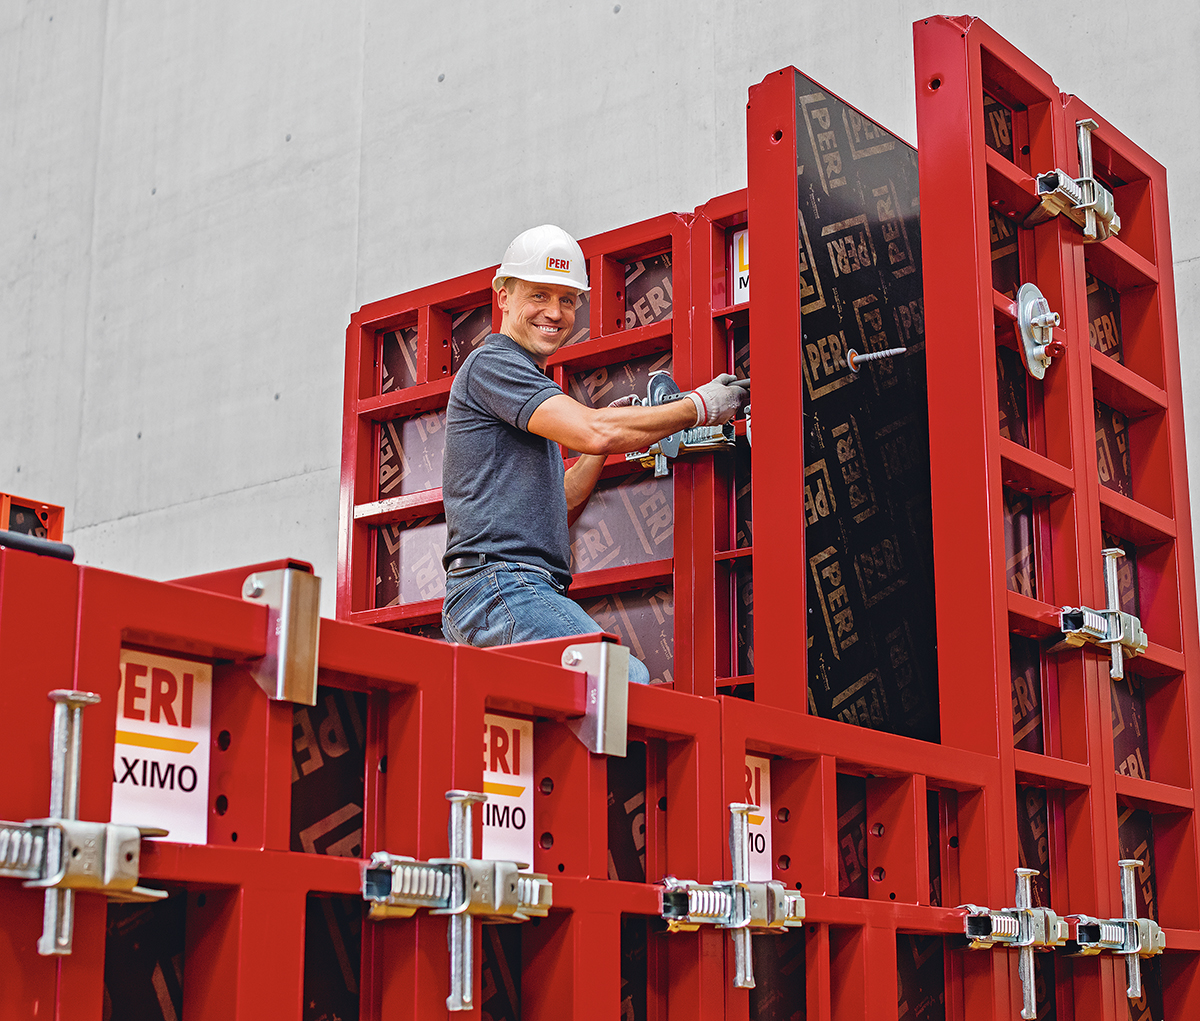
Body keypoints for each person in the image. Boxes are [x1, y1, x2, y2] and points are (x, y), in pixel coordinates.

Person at [440, 224, 748, 684]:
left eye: (567, 299)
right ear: (502, 295)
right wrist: (699, 408)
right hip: (499, 587)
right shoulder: (494, 364)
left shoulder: (525, 382)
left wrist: (597, 452)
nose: (555, 312)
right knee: (627, 684)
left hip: (509, 591)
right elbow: (593, 430)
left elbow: (557, 503)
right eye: (539, 295)